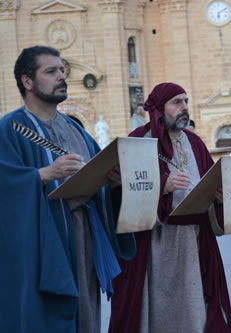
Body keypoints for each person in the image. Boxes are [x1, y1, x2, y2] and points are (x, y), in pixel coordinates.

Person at [0, 45, 135, 333]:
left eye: (62, 70)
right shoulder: (10, 128)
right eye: (51, 71)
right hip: (40, 247)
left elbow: (98, 181)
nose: (62, 76)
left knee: (85, 316)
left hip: (84, 236)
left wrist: (114, 184)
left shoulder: (78, 132)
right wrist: (43, 175)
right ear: (27, 82)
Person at [109, 82, 231, 333]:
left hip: (195, 241)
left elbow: (210, 181)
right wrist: (162, 187)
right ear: (159, 109)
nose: (184, 107)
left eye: (186, 101)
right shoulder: (138, 141)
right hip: (155, 244)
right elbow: (121, 195)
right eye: (177, 102)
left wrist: (219, 198)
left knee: (197, 312)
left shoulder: (195, 142)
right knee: (157, 313)